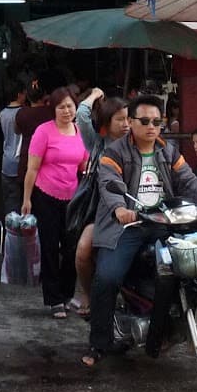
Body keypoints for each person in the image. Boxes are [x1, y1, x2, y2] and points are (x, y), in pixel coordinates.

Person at [83, 94, 197, 367]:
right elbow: (109, 185)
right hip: (128, 225)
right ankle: (98, 343)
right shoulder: (114, 152)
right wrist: (120, 210)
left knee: (188, 265)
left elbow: (188, 180)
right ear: (132, 123)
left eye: (157, 121)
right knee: (108, 277)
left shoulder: (168, 151)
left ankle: (166, 329)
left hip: (166, 222)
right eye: (145, 121)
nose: (151, 126)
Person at [20, 87, 90, 318]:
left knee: (71, 249)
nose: (67, 111)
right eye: (61, 107)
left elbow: (83, 167)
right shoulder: (44, 132)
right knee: (50, 247)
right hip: (45, 195)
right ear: (53, 109)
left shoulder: (80, 131)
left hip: (72, 199)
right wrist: (27, 198)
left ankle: (68, 295)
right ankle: (53, 300)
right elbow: (32, 168)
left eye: (70, 106)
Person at [71, 96, 131, 314]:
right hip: (101, 213)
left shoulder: (137, 141)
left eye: (128, 119)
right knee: (83, 251)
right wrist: (95, 93)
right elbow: (82, 115)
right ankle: (88, 293)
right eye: (120, 119)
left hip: (134, 212)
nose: (126, 124)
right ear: (107, 123)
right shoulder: (97, 144)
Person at [0, 79, 26, 213]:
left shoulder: (2, 113)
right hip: (20, 163)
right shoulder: (24, 113)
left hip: (6, 161)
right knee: (19, 201)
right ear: (20, 94)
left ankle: (8, 229)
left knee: (9, 200)